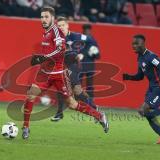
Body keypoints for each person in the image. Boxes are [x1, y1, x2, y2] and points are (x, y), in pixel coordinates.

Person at [22, 7, 109, 139]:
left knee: (72, 104)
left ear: (52, 18)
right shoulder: (46, 32)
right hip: (44, 73)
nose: (43, 20)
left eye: (46, 17)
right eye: (42, 17)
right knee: (30, 95)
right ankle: (26, 127)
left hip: (58, 74)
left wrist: (43, 57)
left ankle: (99, 116)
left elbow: (60, 49)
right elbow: (51, 51)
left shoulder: (56, 32)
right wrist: (42, 58)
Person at [123, 34, 160, 144]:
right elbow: (140, 76)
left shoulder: (151, 57)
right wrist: (129, 77)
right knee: (146, 113)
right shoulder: (140, 57)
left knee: (142, 111)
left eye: (136, 43)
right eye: (132, 44)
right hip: (152, 88)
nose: (133, 46)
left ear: (143, 44)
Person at [51, 16, 98, 122]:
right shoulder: (57, 39)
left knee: (77, 92)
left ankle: (95, 109)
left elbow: (91, 41)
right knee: (61, 89)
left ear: (68, 26)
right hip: (63, 66)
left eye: (63, 25)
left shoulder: (77, 36)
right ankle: (59, 113)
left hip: (74, 67)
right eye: (59, 26)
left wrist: (83, 53)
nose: (61, 27)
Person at [80, 24, 100, 99]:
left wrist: (95, 52)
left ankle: (90, 100)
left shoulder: (93, 41)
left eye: (88, 30)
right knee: (78, 83)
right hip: (80, 65)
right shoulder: (79, 40)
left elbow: (98, 56)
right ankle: (77, 100)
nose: (87, 32)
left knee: (90, 84)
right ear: (83, 31)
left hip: (90, 65)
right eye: (85, 30)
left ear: (90, 31)